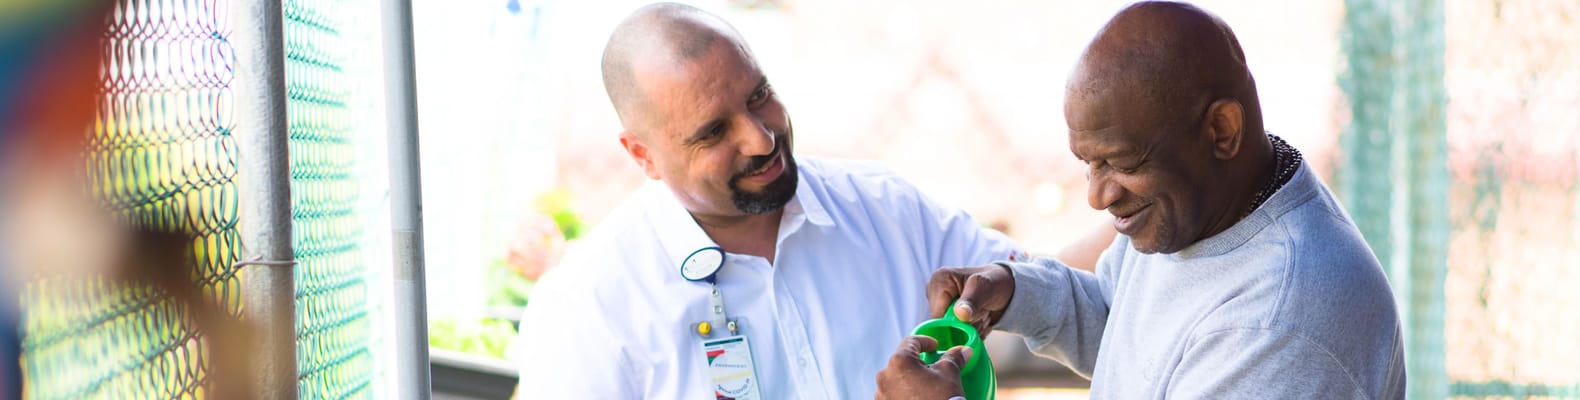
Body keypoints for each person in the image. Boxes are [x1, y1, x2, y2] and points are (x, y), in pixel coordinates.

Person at [507, 3, 1084, 398]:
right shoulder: (589, 306)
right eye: (713, 132)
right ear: (643, 155)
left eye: (760, 95)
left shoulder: (885, 210)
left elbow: (1070, 296)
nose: (761, 137)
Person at [876, 2, 1406, 399]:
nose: (1097, 196)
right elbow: (1131, 330)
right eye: (1089, 163)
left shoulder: (1282, 323)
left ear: (1222, 130)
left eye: (1123, 164)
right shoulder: (1205, 211)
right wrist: (1017, 291)